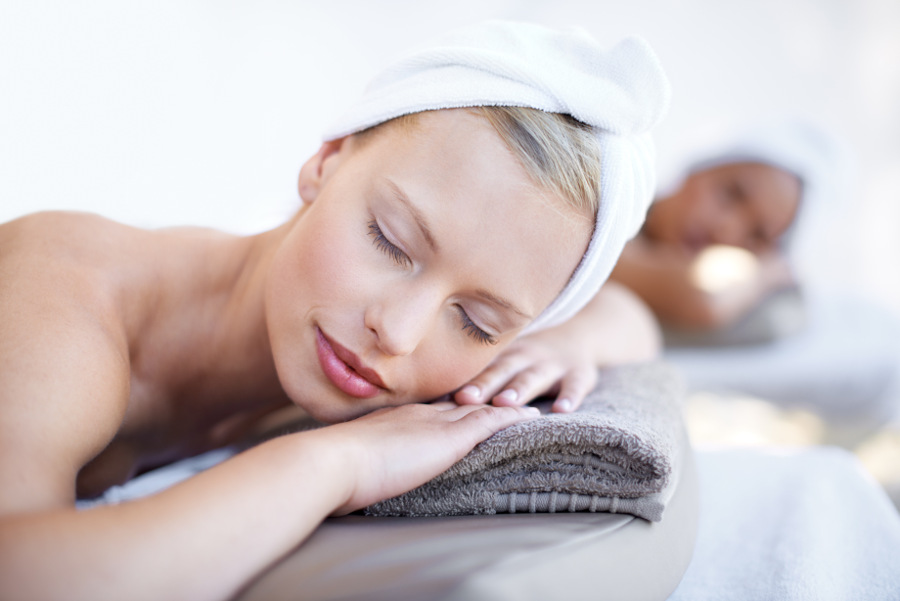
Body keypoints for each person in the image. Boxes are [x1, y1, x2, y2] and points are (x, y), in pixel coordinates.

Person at [0, 21, 669, 600]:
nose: (398, 333)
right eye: (389, 240)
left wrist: (565, 343)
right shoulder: (65, 294)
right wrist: (339, 463)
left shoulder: (375, 352)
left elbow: (627, 315)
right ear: (325, 161)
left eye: (475, 321)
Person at [610, 121, 839, 332]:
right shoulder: (611, 209)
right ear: (699, 167)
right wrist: (765, 274)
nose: (726, 229)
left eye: (757, 235)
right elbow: (705, 295)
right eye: (732, 193)